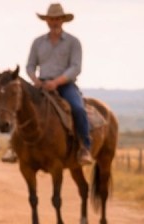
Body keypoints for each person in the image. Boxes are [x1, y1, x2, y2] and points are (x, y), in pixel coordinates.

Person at [26, 3, 92, 165]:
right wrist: (35, 80)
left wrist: (56, 82)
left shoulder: (73, 42)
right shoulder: (38, 42)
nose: (54, 22)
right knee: (20, 107)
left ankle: (84, 147)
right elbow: (30, 65)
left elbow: (76, 67)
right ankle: (14, 147)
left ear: (62, 20)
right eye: (51, 19)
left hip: (65, 85)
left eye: (57, 19)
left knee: (78, 109)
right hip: (41, 84)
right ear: (46, 21)